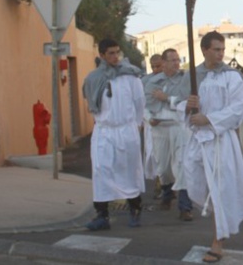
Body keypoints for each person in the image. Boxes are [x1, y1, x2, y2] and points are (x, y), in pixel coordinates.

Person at [180, 31, 243, 263]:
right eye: (216, 49)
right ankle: (220, 223)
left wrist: (209, 120)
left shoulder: (231, 77)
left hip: (221, 142)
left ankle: (218, 240)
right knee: (197, 184)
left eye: (223, 49)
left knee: (220, 190)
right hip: (197, 141)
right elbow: (180, 103)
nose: (221, 54)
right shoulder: (193, 76)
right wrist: (187, 106)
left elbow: (236, 110)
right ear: (204, 50)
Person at [82, 38, 146, 230]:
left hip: (126, 130)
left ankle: (134, 208)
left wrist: (136, 125)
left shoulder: (130, 76)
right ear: (101, 55)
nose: (115, 56)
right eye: (110, 53)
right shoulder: (93, 78)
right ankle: (102, 215)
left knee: (128, 169)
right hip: (104, 130)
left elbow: (139, 103)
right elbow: (92, 104)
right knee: (101, 170)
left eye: (117, 52)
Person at [144, 48, 193, 221]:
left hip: (179, 127)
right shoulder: (151, 82)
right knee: (163, 167)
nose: (177, 63)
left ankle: (185, 207)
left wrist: (166, 98)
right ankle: (167, 193)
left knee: (181, 165)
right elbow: (144, 104)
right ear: (163, 63)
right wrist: (149, 118)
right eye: (172, 60)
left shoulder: (185, 80)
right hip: (159, 129)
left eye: (178, 60)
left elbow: (187, 102)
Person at [141, 54, 163, 199]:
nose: (155, 69)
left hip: (169, 124)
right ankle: (159, 183)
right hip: (151, 124)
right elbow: (140, 104)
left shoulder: (172, 80)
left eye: (158, 66)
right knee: (154, 155)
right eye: (153, 66)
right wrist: (148, 119)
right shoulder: (145, 82)